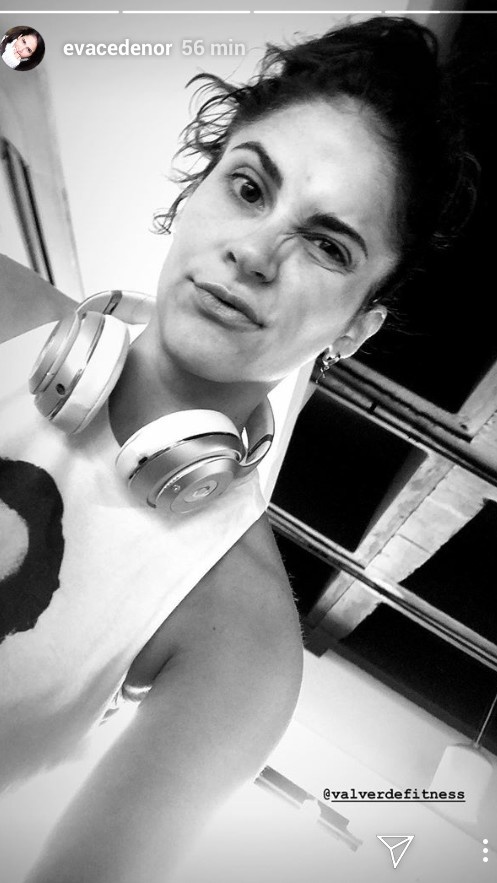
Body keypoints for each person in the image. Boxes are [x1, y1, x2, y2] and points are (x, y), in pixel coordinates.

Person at [0, 15, 472, 883]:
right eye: (249, 188)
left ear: (355, 329)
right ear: (194, 193)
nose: (255, 253)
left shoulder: (244, 646)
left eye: (326, 245)